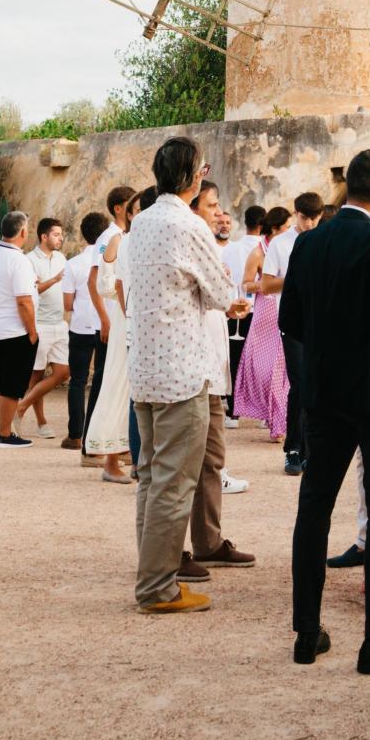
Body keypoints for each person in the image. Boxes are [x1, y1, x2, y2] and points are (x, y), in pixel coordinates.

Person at [282, 149, 370, 673]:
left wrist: (327, 358)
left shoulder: (310, 241)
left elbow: (290, 317)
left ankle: (306, 633)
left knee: (314, 506)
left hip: (324, 395)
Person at [129, 137, 234, 613]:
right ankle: (157, 587)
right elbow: (218, 291)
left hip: (147, 367)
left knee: (152, 478)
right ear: (193, 177)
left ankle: (153, 572)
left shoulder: (142, 221)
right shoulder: (188, 224)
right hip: (181, 369)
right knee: (173, 483)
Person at [177, 182, 256, 584]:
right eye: (211, 204)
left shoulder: (208, 244)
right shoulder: (186, 240)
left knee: (211, 458)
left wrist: (228, 306)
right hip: (189, 369)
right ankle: (174, 553)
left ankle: (208, 540)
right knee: (181, 464)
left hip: (210, 365)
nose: (218, 212)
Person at [260, 190, 325, 475]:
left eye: (314, 218)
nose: (309, 223)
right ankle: (293, 449)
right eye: (303, 217)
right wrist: (297, 278)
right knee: (299, 383)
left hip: (322, 321)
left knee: (319, 384)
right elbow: (265, 285)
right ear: (295, 214)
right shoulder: (280, 244)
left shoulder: (327, 239)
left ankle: (314, 449)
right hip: (293, 322)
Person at [0, 210, 38, 450]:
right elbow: (24, 301)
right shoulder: (19, 260)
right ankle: (4, 434)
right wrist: (31, 331)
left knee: (0, 380)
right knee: (13, 383)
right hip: (15, 330)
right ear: (22, 232)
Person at [82, 188, 132, 460]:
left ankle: (121, 445)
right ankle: (91, 449)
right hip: (111, 320)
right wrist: (104, 319)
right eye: (130, 207)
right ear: (118, 208)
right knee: (104, 380)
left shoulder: (128, 237)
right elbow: (94, 280)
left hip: (122, 318)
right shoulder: (109, 237)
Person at [232, 206, 291, 441]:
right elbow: (245, 284)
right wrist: (269, 284)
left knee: (283, 369)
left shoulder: (288, 247)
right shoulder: (258, 252)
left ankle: (279, 423)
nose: (290, 231)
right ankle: (271, 417)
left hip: (285, 310)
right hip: (265, 314)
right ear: (275, 228)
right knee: (266, 371)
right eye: (286, 227)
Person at [17, 218, 69, 438]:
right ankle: (42, 422)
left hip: (60, 324)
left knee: (63, 372)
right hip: (40, 325)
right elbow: (31, 291)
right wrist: (55, 280)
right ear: (44, 236)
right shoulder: (28, 260)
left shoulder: (62, 258)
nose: (60, 238)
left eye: (61, 234)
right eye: (56, 234)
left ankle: (21, 406)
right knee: (36, 376)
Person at [62, 212, 106, 450]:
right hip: (103, 325)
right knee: (100, 380)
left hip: (80, 327)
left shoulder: (73, 264)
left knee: (77, 381)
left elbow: (67, 304)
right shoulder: (110, 259)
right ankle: (94, 433)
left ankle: (75, 434)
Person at [224, 204, 264, 427]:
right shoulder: (263, 249)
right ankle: (263, 413)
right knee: (260, 362)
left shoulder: (232, 248)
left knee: (234, 360)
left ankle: (233, 412)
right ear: (261, 225)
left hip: (234, 308)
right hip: (257, 310)